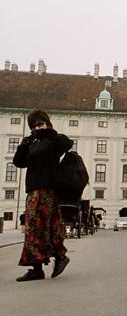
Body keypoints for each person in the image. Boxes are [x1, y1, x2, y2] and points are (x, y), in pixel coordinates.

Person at [13, 110, 73, 281]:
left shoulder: (52, 141)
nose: (37, 127)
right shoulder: (32, 143)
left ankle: (56, 258)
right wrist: (24, 144)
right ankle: (41, 265)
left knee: (44, 226)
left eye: (40, 124)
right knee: (35, 227)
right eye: (34, 125)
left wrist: (49, 133)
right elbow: (19, 162)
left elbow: (66, 144)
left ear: (47, 123)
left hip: (48, 190)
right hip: (33, 189)